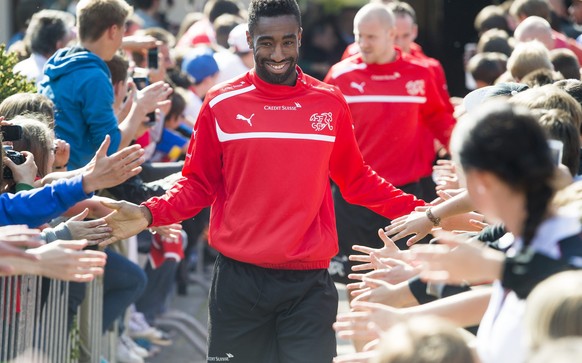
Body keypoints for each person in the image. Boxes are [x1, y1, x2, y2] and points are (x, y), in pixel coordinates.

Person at [101, 0, 427, 361]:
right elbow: (197, 183)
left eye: (288, 41)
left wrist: (430, 213)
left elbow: (356, 180)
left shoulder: (329, 101)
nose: (278, 53)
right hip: (239, 285)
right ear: (250, 38)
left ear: (300, 39)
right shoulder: (221, 102)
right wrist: (149, 213)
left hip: (308, 288)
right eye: (267, 42)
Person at [323, 3, 455, 286]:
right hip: (353, 199)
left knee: (406, 281)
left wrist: (465, 156)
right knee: (357, 280)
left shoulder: (420, 74)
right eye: (359, 36)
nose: (363, 43)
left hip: (404, 194)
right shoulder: (340, 75)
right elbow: (321, 132)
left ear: (391, 34)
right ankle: (360, 330)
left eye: (371, 37)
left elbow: (440, 120)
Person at [39, 0, 172, 170]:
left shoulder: (62, 59)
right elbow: (110, 148)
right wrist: (140, 107)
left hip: (53, 173)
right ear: (113, 30)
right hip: (73, 182)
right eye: (123, 31)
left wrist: (129, 42)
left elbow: (91, 43)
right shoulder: (94, 77)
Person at [13, 9, 75, 86]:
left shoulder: (18, 69)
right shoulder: (50, 79)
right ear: (59, 46)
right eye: (69, 41)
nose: (72, 47)